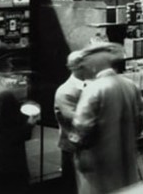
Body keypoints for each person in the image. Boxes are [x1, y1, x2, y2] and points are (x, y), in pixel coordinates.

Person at [69, 43, 143, 194]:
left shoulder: (93, 89)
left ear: (93, 66)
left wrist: (75, 147)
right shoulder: (130, 85)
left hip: (100, 167)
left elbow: (81, 129)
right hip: (127, 162)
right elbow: (141, 121)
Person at [0, 46, 41, 194]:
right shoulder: (4, 94)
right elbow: (7, 136)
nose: (11, 65)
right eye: (8, 61)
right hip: (6, 167)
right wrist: (30, 123)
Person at [54, 49, 92, 192]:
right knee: (73, 187)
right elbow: (75, 120)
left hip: (87, 147)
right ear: (77, 67)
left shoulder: (88, 86)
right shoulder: (65, 91)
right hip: (74, 148)